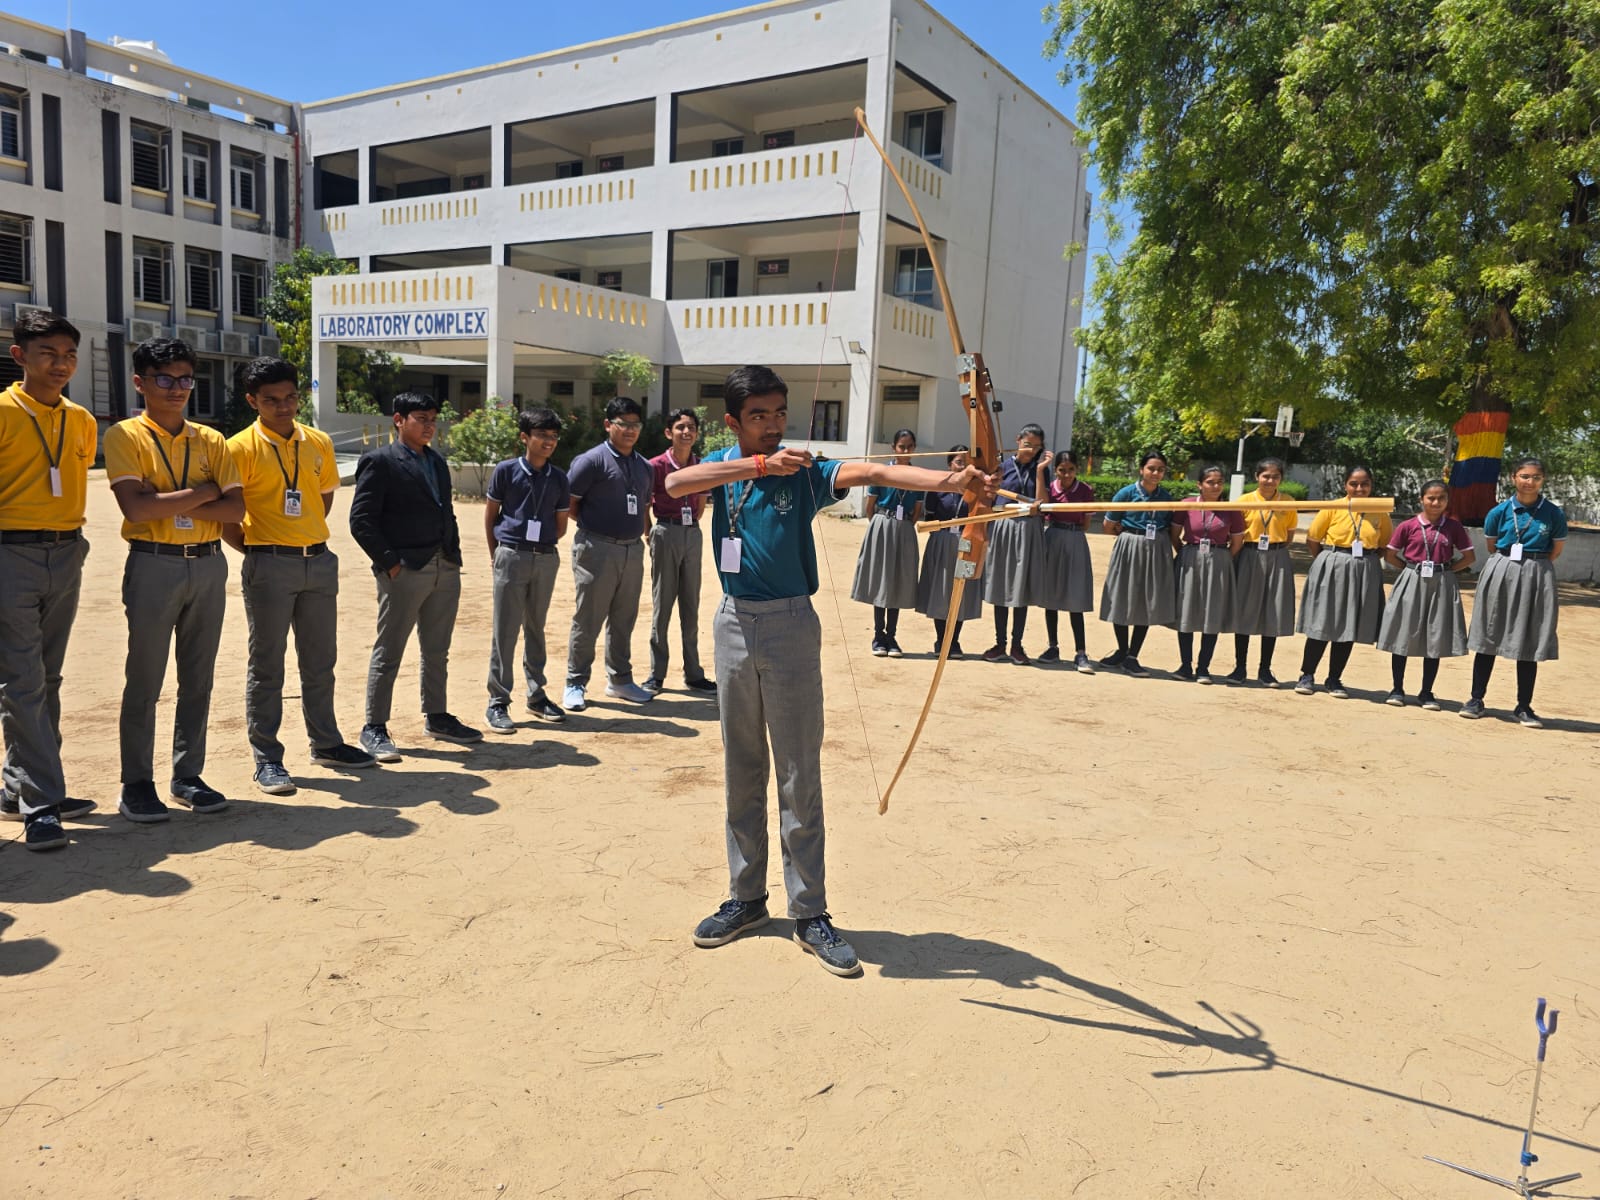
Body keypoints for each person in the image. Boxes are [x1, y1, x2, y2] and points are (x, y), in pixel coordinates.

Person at [670, 365, 997, 978]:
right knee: (743, 764)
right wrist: (760, 465)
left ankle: (809, 910)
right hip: (733, 624)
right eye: (758, 417)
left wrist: (955, 480)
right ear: (733, 421)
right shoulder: (728, 465)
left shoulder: (810, 470)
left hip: (791, 625)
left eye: (778, 414)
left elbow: (875, 470)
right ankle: (745, 898)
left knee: (798, 769)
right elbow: (681, 481)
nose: (772, 427)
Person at [105, 337, 244, 822]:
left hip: (207, 563)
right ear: (140, 382)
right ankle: (136, 782)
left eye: (185, 379)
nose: (177, 388)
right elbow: (137, 508)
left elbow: (236, 508)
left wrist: (175, 498)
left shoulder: (211, 440)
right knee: (144, 677)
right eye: (164, 379)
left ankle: (188, 774)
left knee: (198, 678)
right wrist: (203, 492)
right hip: (153, 562)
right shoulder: (125, 436)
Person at [222, 357, 375, 793]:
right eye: (271, 400)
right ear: (252, 401)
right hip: (269, 563)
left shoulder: (318, 442)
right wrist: (261, 550)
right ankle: (267, 757)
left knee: (320, 661)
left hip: (319, 562)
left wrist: (303, 536)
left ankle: (325, 743)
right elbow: (228, 518)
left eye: (290, 397)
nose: (284, 407)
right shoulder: (238, 448)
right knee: (268, 666)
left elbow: (321, 499)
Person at [0, 310, 99, 850]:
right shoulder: (1, 412)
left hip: (67, 551)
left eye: (68, 355)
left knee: (46, 678)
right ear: (20, 357)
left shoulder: (81, 420)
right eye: (47, 354)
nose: (60, 365)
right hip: (10, 552)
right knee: (23, 680)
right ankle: (42, 803)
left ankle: (21, 788)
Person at [349, 391, 480, 761]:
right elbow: (361, 521)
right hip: (405, 570)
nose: (429, 426)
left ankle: (436, 716)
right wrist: (390, 563)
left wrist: (452, 555)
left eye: (433, 419)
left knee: (437, 650)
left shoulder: (436, 462)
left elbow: (447, 511)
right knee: (389, 650)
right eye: (421, 418)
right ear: (399, 420)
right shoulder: (380, 461)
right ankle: (374, 726)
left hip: (443, 566)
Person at [483, 407, 571, 732]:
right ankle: (498, 701)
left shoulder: (559, 478)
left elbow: (560, 526)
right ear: (525, 437)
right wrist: (498, 554)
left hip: (545, 556)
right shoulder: (506, 471)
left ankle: (536, 696)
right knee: (504, 630)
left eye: (553, 437)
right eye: (541, 435)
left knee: (536, 628)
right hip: (511, 555)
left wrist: (542, 546)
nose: (549, 442)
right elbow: (491, 516)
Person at [562, 397, 654, 710]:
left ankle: (620, 680)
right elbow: (570, 504)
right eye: (623, 424)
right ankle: (575, 682)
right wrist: (596, 527)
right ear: (608, 425)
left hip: (632, 550)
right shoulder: (591, 461)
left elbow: (642, 506)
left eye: (635, 424)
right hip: (596, 548)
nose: (630, 430)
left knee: (624, 619)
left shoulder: (643, 466)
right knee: (588, 618)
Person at [1463, 457, 1566, 726]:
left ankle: (1523, 706)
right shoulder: (1498, 512)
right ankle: (1476, 699)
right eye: (1524, 476)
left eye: (1535, 477)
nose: (1529, 482)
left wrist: (1533, 566)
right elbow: (1492, 544)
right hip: (1503, 568)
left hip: (1537, 570)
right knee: (1490, 631)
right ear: (1513, 478)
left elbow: (1555, 550)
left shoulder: (1553, 513)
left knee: (1529, 638)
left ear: (1543, 480)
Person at [1294, 464, 1392, 699]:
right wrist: (1330, 561)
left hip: (1364, 569)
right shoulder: (1333, 507)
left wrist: (1363, 562)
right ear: (1345, 484)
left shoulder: (1380, 511)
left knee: (1350, 625)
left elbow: (1383, 545)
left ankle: (1334, 678)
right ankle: (1307, 674)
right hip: (1333, 564)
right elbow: (1313, 539)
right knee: (1322, 622)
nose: (1359, 488)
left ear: (1371, 485)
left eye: (1364, 484)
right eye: (1354, 484)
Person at [1378, 479, 1474, 709]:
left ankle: (1426, 692)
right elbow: (1390, 555)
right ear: (1421, 499)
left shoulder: (1453, 527)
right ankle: (1397, 688)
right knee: (1403, 633)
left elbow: (1469, 557)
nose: (1435, 502)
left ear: (1447, 501)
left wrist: (1449, 570)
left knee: (1435, 635)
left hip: (1441, 582)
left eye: (1441, 498)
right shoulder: (1408, 526)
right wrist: (1410, 569)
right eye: (1431, 497)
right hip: (1412, 579)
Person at [644, 408, 715, 694]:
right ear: (668, 432)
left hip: (691, 535)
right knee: (662, 606)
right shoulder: (656, 465)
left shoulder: (701, 464)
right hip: (665, 531)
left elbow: (700, 504)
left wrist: (690, 526)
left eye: (692, 428)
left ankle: (693, 672)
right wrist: (650, 532)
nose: (687, 432)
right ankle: (656, 673)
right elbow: (645, 503)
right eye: (680, 427)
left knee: (691, 605)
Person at [1098, 450, 1175, 676]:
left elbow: (1170, 526)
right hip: (1130, 546)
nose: (1155, 473)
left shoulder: (1166, 497)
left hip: (1156, 548)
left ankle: (1133, 655)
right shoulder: (1126, 493)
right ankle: (1122, 650)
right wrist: (1127, 537)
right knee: (1122, 596)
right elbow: (1108, 525)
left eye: (1160, 469)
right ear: (1142, 469)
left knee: (1146, 600)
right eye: (1151, 468)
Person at [850, 427, 923, 657]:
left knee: (897, 581)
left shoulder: (918, 474)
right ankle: (878, 636)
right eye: (901, 446)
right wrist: (882, 525)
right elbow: (870, 507)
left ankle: (892, 636)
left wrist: (902, 525)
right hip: (883, 524)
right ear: (894, 448)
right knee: (882, 580)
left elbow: (917, 510)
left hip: (905, 528)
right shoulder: (881, 472)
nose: (906, 450)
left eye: (910, 446)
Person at [1171, 465, 1245, 682]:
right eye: (1210, 482)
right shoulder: (1186, 505)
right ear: (1199, 485)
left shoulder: (1231, 509)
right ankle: (1185, 665)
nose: (1215, 486)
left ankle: (1203, 668)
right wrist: (1186, 553)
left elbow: (1237, 541)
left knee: (1211, 614)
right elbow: (1174, 535)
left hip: (1219, 559)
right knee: (1186, 611)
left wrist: (1221, 558)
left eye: (1219, 482)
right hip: (1190, 557)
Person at [1227, 457, 1297, 686]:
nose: (1270, 480)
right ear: (1257, 476)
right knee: (1245, 611)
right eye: (1265, 475)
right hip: (1249, 554)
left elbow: (1288, 535)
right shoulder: (1244, 500)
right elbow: (1236, 532)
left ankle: (1265, 669)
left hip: (1277, 555)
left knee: (1273, 611)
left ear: (1281, 479)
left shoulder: (1287, 502)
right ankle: (1240, 667)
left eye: (1275, 476)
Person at [983, 425, 1050, 664]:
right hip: (1003, 526)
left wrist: (1041, 470)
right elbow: (989, 497)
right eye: (1027, 443)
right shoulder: (1002, 466)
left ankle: (1017, 645)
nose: (1031, 449)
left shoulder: (1039, 469)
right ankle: (1000, 643)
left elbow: (1043, 502)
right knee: (1001, 585)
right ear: (1018, 440)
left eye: (1036, 446)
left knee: (1021, 588)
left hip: (1029, 528)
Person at [915, 445, 984, 658]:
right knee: (941, 590)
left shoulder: (975, 488)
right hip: (943, 540)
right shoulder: (940, 486)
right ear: (950, 464)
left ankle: (954, 641)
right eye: (959, 462)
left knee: (960, 592)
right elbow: (930, 516)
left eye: (966, 462)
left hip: (964, 541)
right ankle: (941, 639)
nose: (963, 465)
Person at [1036, 449, 1096, 672]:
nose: (1066, 475)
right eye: (1062, 470)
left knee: (1075, 596)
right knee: (1051, 596)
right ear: (1056, 471)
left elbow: (1087, 524)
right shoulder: (1050, 489)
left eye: (1070, 470)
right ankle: (1053, 647)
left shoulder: (1086, 491)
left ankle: (1081, 652)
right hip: (1053, 538)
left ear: (1077, 469)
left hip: (1075, 539)